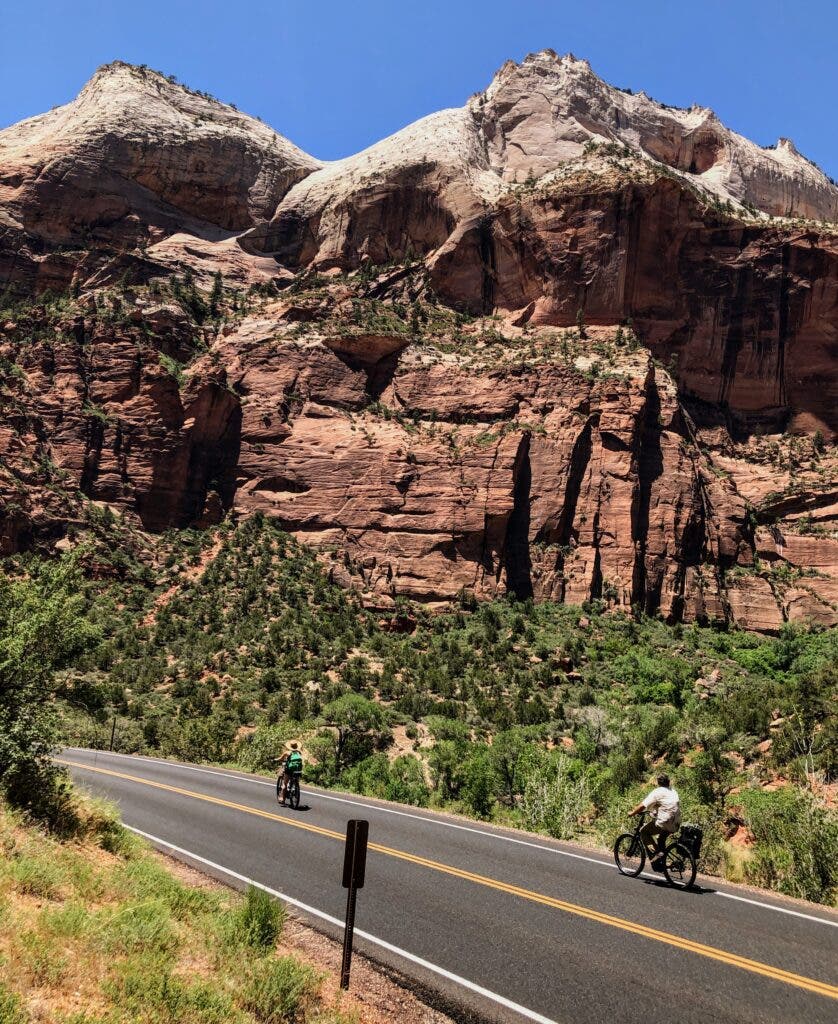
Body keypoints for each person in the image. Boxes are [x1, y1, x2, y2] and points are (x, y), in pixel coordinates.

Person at [629, 774, 681, 870]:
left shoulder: (658, 791)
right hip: (676, 823)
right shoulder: (673, 791)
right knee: (661, 839)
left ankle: (656, 855)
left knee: (643, 831)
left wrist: (632, 813)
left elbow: (643, 806)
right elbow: (667, 806)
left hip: (665, 822)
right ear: (669, 782)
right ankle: (662, 863)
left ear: (658, 782)